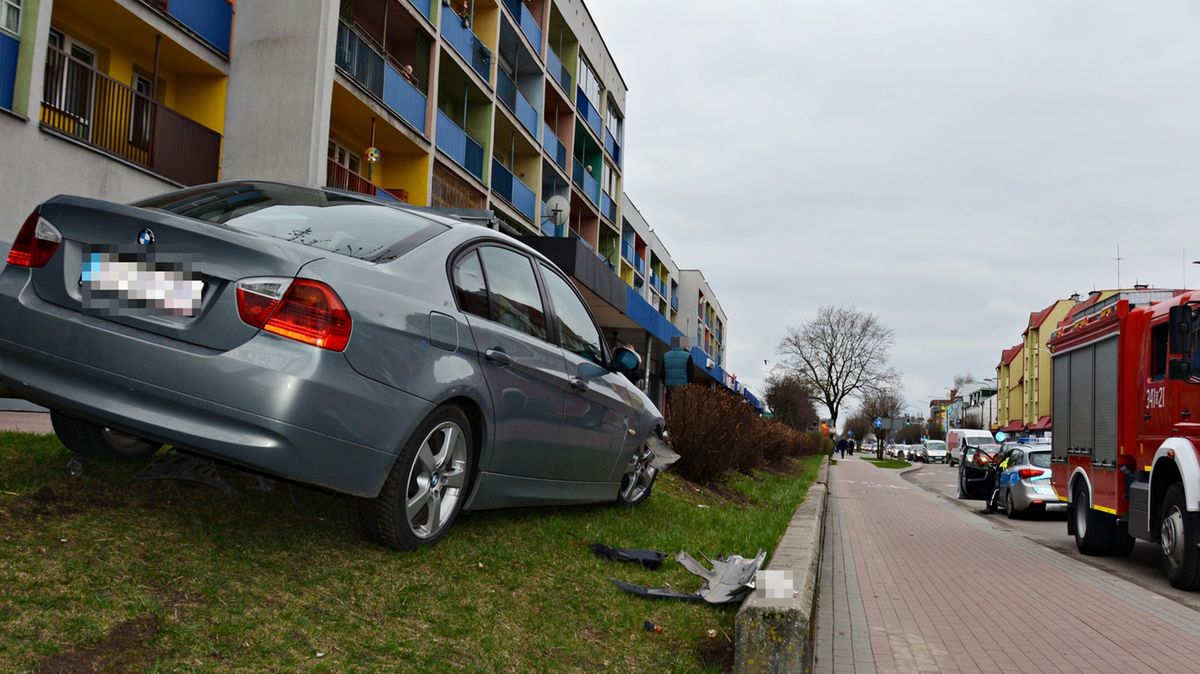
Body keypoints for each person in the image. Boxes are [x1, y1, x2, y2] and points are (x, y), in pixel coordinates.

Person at [980, 449, 1012, 514]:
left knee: (995, 490)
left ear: (999, 459)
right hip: (1006, 482)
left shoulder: (1003, 463)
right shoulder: (1004, 462)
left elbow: (1001, 470)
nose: (995, 461)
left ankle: (990, 508)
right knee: (992, 488)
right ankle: (992, 506)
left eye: (996, 459)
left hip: (1004, 481)